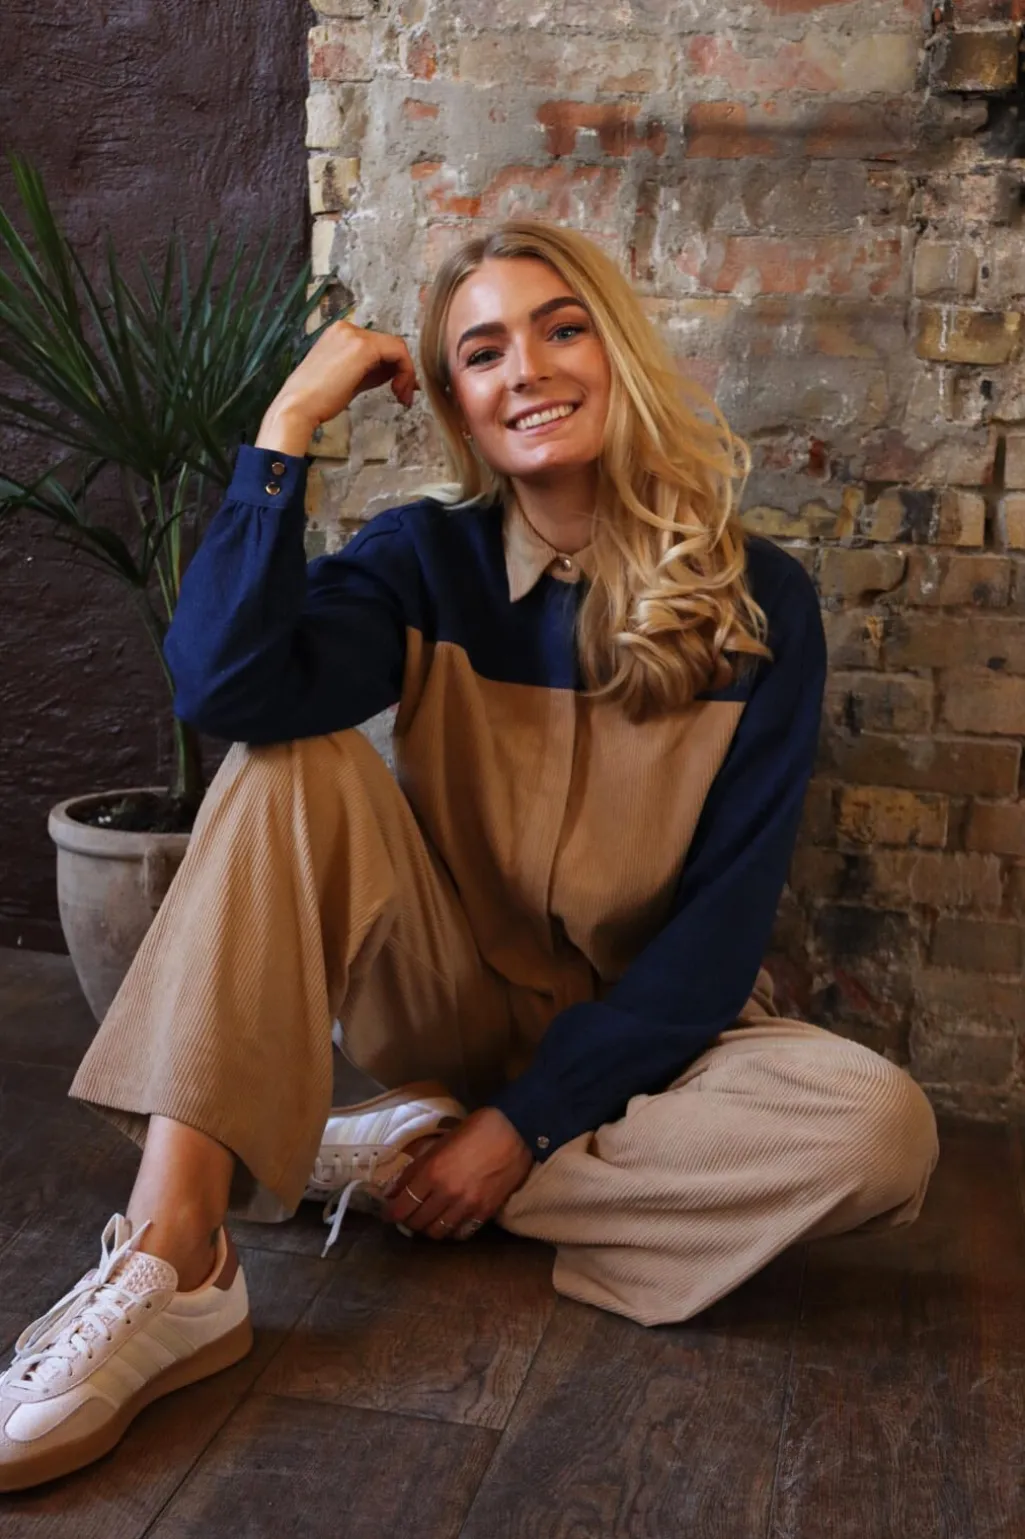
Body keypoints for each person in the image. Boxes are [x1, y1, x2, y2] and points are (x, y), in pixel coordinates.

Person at [0, 219, 939, 1493]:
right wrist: (286, 429)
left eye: (560, 330)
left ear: (614, 352)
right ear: (456, 403)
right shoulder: (419, 562)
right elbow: (225, 688)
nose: (527, 370)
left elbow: (717, 933)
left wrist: (525, 1124)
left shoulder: (759, 601)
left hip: (650, 1050)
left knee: (878, 1132)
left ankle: (390, 1160)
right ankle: (176, 1258)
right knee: (289, 762)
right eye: (482, 352)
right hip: (441, 995)